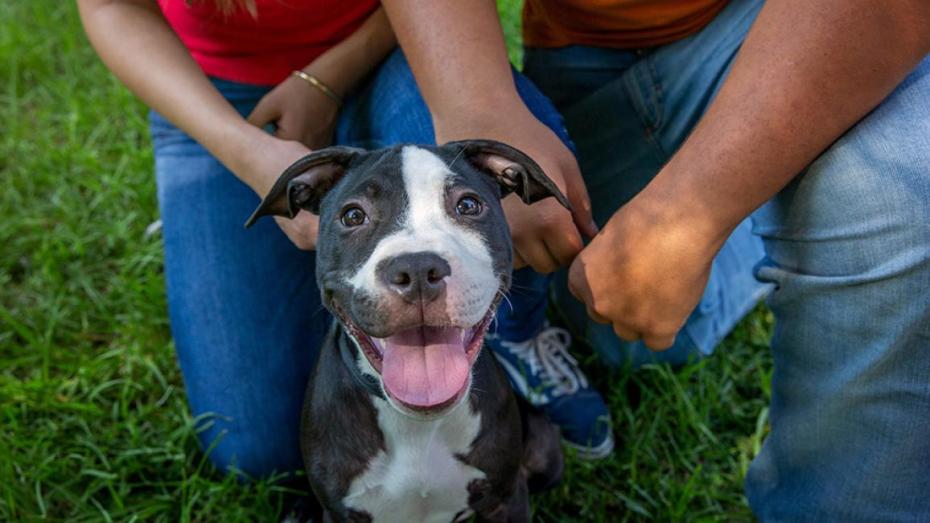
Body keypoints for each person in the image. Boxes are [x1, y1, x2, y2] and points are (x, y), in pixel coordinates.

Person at [381, 0, 930, 519]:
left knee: (888, 189)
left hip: (797, 26)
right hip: (587, 51)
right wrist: (480, 106)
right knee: (631, 324)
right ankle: (766, 214)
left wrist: (692, 210)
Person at [76, 0, 614, 485]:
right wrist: (250, 155)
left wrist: (323, 81)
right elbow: (110, 7)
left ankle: (513, 332)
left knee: (491, 177)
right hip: (220, 93)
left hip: (398, 45)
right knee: (254, 448)